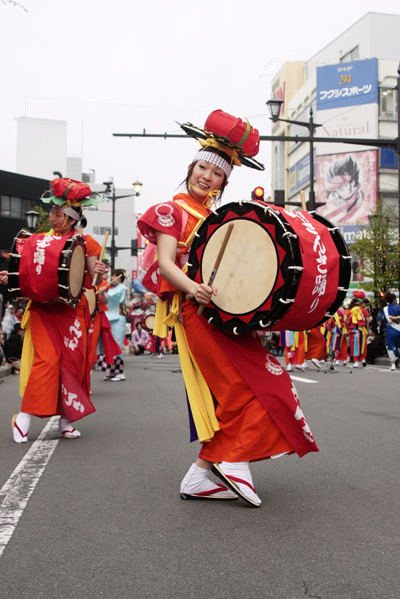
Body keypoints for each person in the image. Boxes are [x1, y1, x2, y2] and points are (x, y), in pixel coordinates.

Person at [137, 110, 319, 508]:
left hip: (226, 315)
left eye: (217, 173)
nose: (207, 176)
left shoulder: (217, 216)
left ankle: (200, 475)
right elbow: (166, 263)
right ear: (191, 167)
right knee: (238, 387)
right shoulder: (173, 210)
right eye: (202, 167)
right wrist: (194, 288)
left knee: (267, 382)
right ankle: (233, 462)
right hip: (195, 311)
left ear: (225, 180)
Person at [4, 178, 107, 443]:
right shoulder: (37, 241)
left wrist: (97, 270)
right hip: (43, 310)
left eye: (58, 214)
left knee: (72, 364)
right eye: (52, 212)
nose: (52, 217)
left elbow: (91, 279)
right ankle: (24, 417)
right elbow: (24, 271)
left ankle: (65, 420)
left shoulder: (87, 243)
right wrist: (11, 276)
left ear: (72, 219)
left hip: (71, 311)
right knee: (47, 361)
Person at [98, 269, 127, 381]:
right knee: (107, 345)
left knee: (117, 344)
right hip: (109, 318)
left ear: (119, 278)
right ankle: (111, 371)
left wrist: (102, 292)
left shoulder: (122, 288)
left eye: (114, 276)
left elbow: (112, 297)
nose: (112, 278)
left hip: (118, 318)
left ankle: (120, 373)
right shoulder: (111, 288)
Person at [382, 292, 400, 371]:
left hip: (390, 328)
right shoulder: (398, 308)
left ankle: (393, 364)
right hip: (398, 327)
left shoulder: (385, 309)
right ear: (394, 300)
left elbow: (384, 320)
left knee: (390, 346)